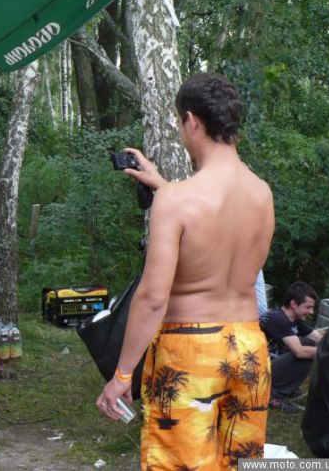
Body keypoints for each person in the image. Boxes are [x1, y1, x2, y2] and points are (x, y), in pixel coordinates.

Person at [96, 73, 275, 470]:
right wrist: (163, 186)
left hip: (191, 353)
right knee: (241, 463)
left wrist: (122, 375)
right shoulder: (262, 193)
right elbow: (219, 230)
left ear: (192, 121)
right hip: (249, 349)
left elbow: (153, 297)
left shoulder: (177, 200)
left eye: (180, 123)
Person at [260, 281, 324, 412]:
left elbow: (319, 338)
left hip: (269, 365)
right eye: (308, 307)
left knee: (309, 344)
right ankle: (274, 396)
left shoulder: (294, 319)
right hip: (256, 372)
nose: (311, 312)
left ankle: (285, 387)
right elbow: (300, 352)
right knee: (305, 353)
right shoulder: (277, 318)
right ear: (293, 304)